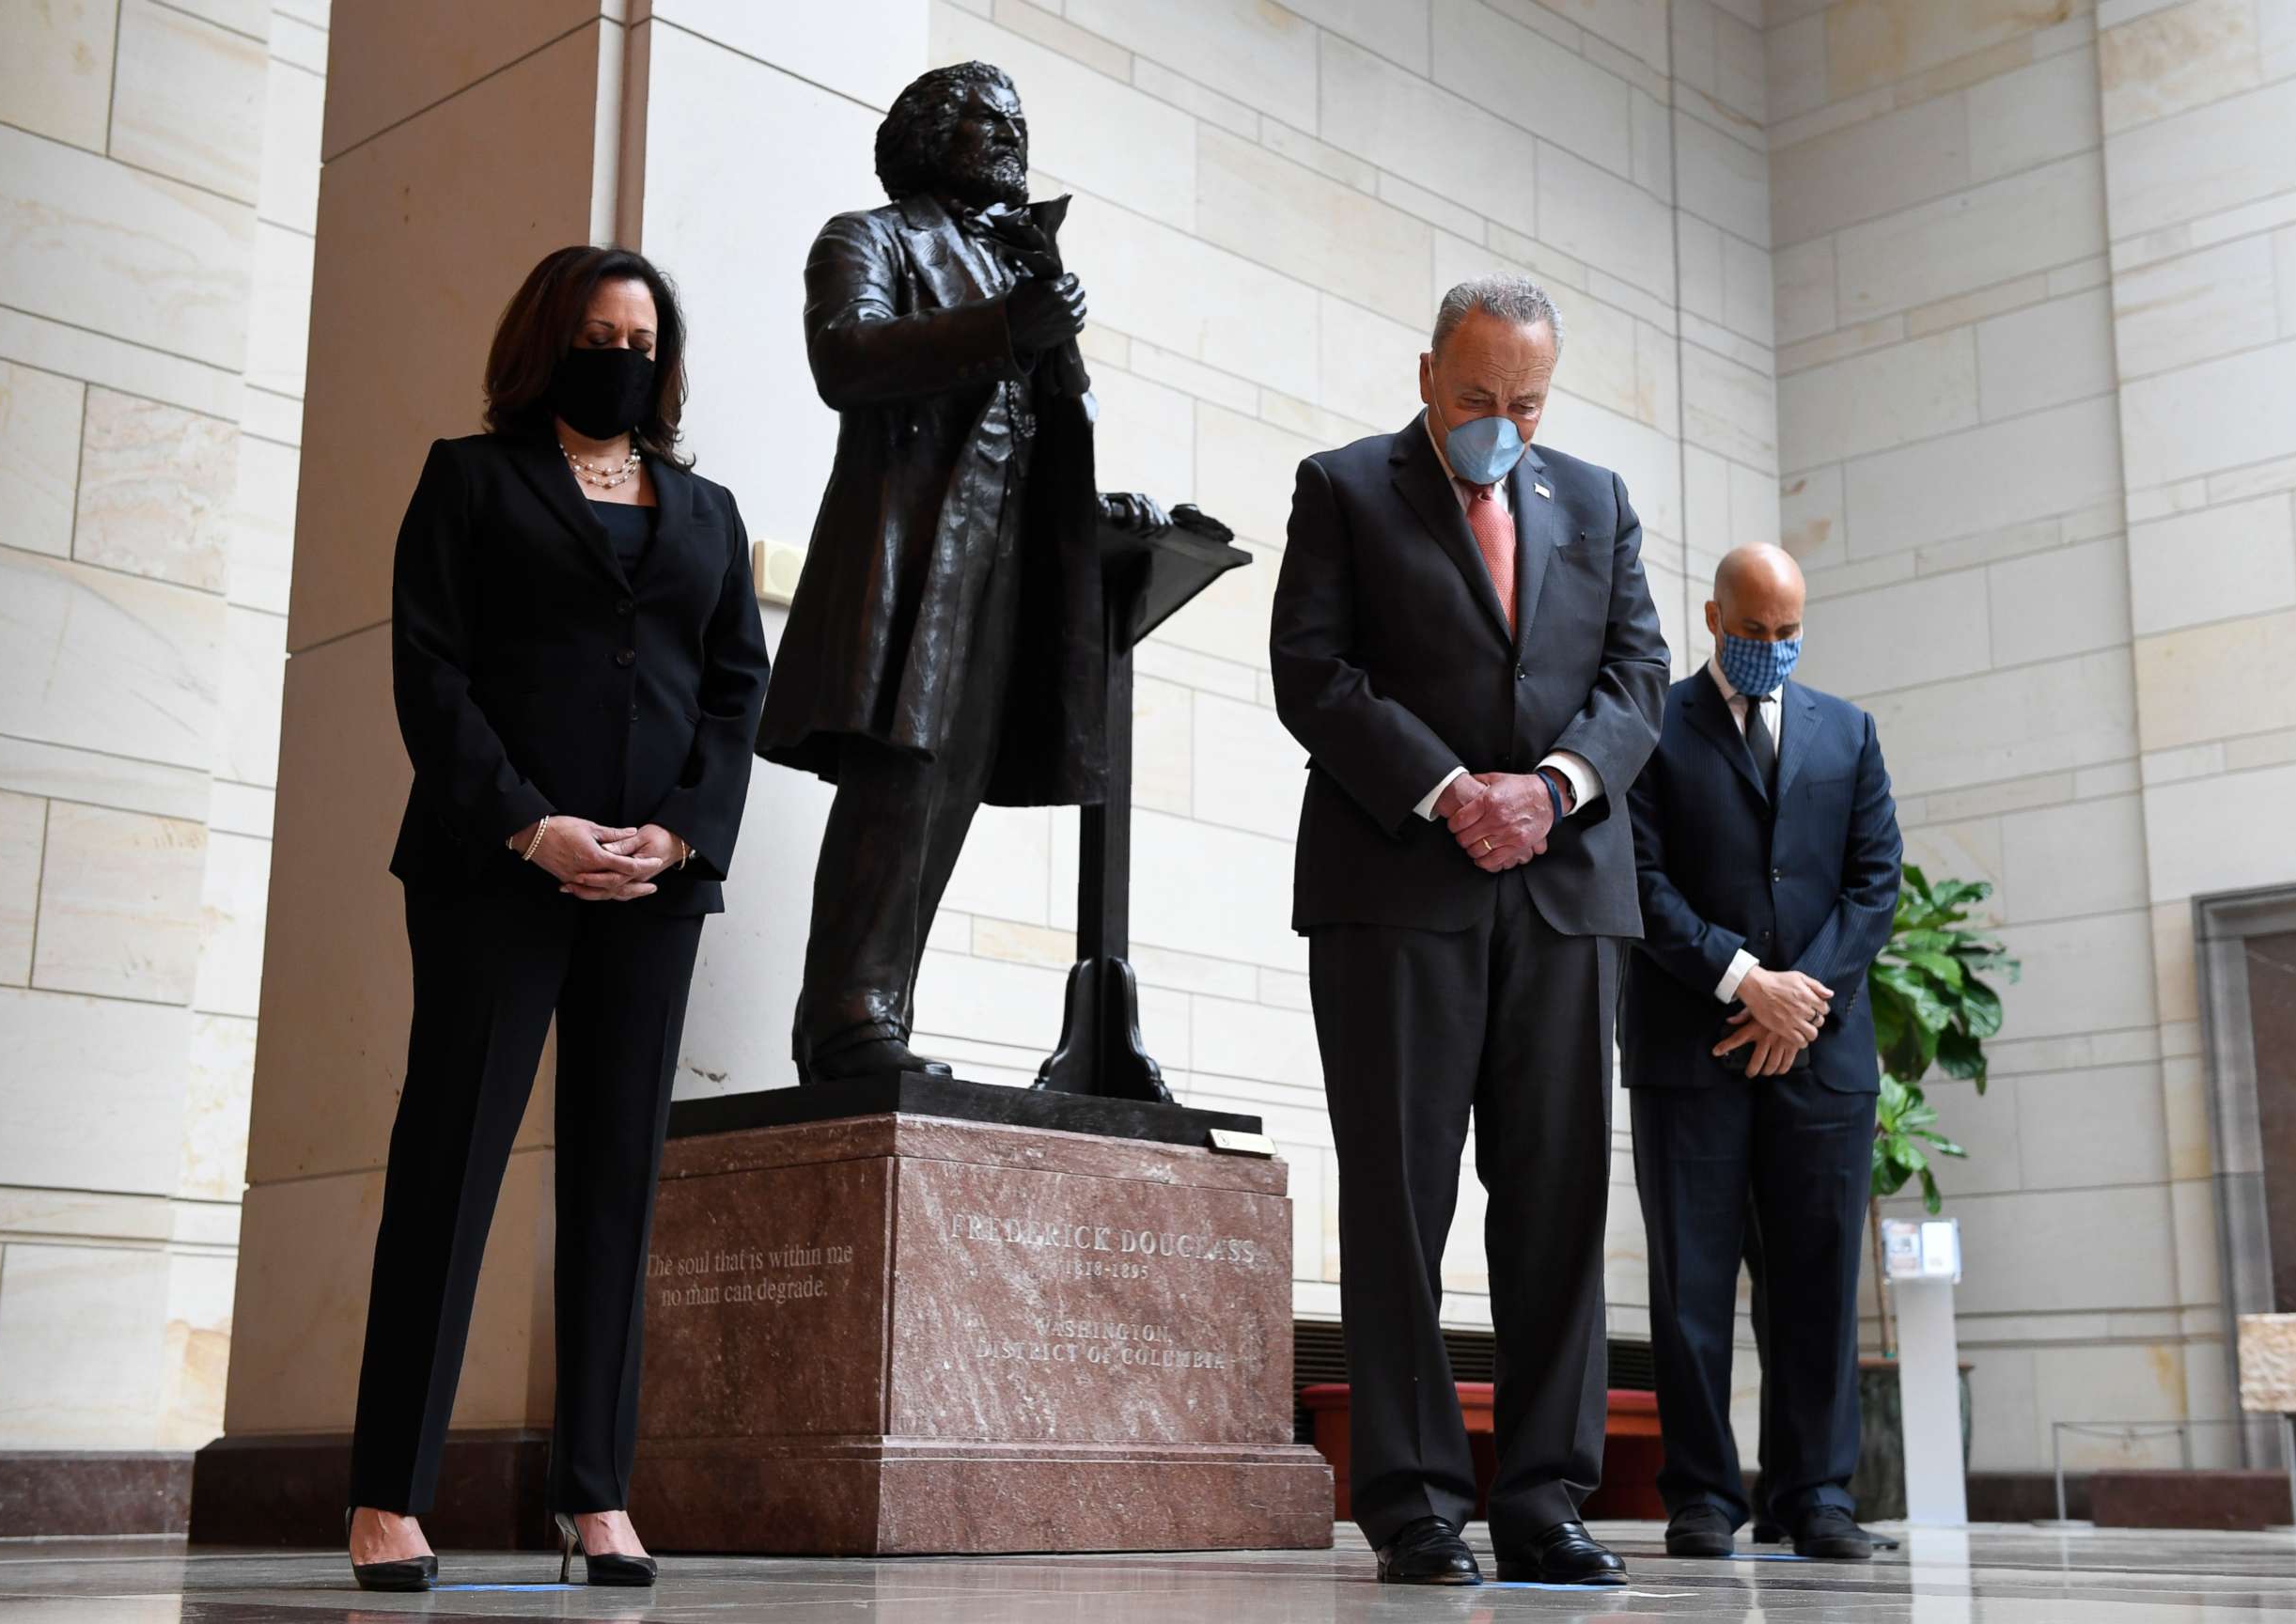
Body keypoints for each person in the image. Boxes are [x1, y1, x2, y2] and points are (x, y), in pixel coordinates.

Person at [342, 246, 771, 1591]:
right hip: (496, 869)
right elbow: (432, 670)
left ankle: (596, 1493)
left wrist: (682, 831)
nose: (622, 357)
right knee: (451, 1164)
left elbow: (733, 691)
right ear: (548, 344)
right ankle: (388, 1497)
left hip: (652, 885)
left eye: (643, 339)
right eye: (597, 334)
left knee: (617, 1181)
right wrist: (530, 825)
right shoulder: (469, 481)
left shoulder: (705, 511)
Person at [1269, 273, 1670, 1586]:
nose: (1503, 422)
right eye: (1479, 397)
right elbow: (1314, 675)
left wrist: (1550, 789)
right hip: (1399, 886)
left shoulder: (1597, 502)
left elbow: (1637, 676)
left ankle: (1546, 1500)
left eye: (1527, 402)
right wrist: (1453, 791)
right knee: (1400, 1200)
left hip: (1564, 893)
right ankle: (1416, 1503)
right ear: (1429, 372)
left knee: (1555, 1202)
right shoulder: (1344, 487)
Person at [755, 60, 1179, 1084]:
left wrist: (1092, 502)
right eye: (987, 120)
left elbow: (1029, 426)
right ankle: (845, 1018)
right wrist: (1003, 330)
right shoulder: (872, 236)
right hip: (915, 561)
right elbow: (845, 357)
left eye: (1019, 123)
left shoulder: (1018, 262)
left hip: (1006, 570)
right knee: (896, 781)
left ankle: (883, 1011)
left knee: (946, 794)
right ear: (925, 133)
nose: (1009, 137)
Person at [1622, 542, 1902, 1562]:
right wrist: (1749, 984)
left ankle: (1818, 1498)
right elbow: (1641, 885)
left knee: (1819, 1280)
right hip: (1691, 1048)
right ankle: (1703, 1497)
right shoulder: (1651, 726)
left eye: (1789, 635)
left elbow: (1875, 884)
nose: (1772, 652)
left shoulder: (1851, 732)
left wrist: (1803, 1002)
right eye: (1753, 633)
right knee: (1690, 1282)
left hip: (1821, 1059)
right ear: (1711, 618)